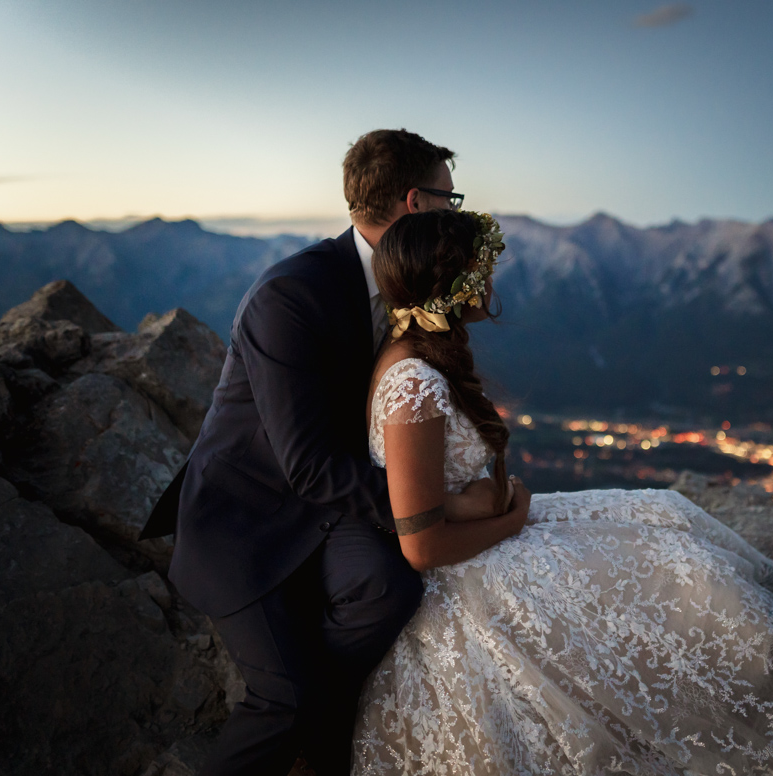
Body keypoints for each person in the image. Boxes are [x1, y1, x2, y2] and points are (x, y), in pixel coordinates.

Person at [352, 208, 773, 775]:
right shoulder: (413, 384)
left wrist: (486, 501)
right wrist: (509, 518)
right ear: (452, 286)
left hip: (487, 529)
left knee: (660, 513)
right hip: (461, 569)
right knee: (669, 567)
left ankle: (766, 671)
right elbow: (421, 546)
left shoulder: (421, 352)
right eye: (480, 273)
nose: (491, 285)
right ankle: (765, 708)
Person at [140, 130, 502, 775]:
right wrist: (438, 510)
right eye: (451, 198)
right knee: (287, 694)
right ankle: (307, 732)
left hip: (335, 502)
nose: (456, 211)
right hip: (249, 517)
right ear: (417, 202)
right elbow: (307, 463)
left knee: (391, 592)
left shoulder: (415, 281)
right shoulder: (293, 294)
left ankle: (328, 741)